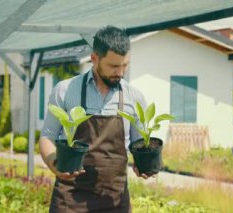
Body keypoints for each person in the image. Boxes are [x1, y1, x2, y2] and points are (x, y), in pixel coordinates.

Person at [40, 25, 152, 213]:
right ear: (94, 58)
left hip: (114, 198)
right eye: (114, 66)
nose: (121, 72)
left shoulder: (134, 97)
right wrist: (54, 164)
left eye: (125, 65)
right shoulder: (65, 90)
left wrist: (146, 164)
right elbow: (47, 136)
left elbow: (140, 143)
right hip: (70, 198)